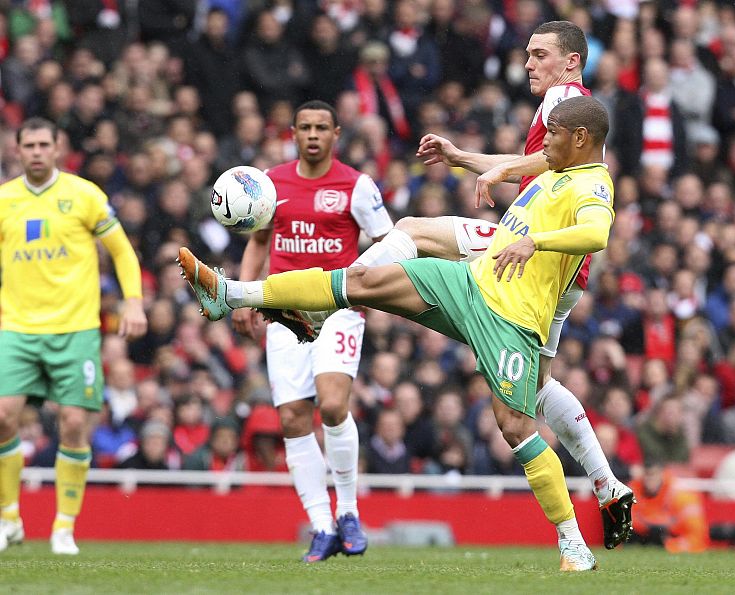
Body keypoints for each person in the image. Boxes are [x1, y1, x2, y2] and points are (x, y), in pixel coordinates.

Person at [180, 95, 614, 571]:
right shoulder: (555, 169)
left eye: (552, 133)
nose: (543, 140)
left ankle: (573, 542)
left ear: (580, 139)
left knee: (514, 426)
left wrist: (537, 241)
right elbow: (520, 164)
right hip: (468, 282)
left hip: (511, 319)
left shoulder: (592, 183)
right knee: (366, 276)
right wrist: (473, 164)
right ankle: (231, 292)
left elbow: (596, 234)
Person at [377, 20, 634, 546]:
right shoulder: (571, 112)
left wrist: (487, 171)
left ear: (571, 61)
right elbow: (535, 169)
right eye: (526, 55)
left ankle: (339, 298)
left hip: (531, 252)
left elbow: (536, 165)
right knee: (535, 388)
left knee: (411, 230)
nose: (528, 64)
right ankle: (607, 484)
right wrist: (465, 159)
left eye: (540, 54)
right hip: (563, 269)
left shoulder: (565, 100)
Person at [231, 100, 394, 563]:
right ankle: (321, 526)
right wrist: (245, 294)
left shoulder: (357, 186)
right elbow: (260, 239)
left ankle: (348, 512)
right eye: (305, 128)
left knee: (333, 403)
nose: (314, 135)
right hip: (283, 310)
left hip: (337, 307)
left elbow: (388, 242)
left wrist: (369, 284)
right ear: (294, 133)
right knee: (290, 419)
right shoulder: (271, 183)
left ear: (336, 133)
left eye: (322, 127)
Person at [0, 117, 147, 555]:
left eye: (45, 144)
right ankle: (9, 518)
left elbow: (121, 249)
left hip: (76, 328)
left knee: (75, 422)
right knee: (3, 416)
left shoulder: (84, 195)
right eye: (30, 145)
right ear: (18, 149)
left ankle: (63, 527)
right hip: (17, 328)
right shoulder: (4, 200)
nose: (38, 152)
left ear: (58, 147)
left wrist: (134, 301)